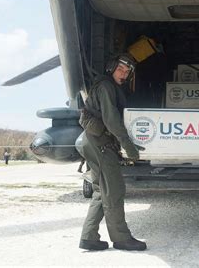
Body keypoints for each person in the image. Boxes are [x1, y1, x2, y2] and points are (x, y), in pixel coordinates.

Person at [78, 53, 146, 251]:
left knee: (101, 191)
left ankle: (89, 237)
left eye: (127, 71)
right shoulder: (107, 87)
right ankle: (121, 238)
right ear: (111, 68)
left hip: (93, 141)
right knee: (114, 189)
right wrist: (127, 143)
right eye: (120, 69)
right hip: (100, 144)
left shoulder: (110, 87)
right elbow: (111, 119)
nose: (123, 74)